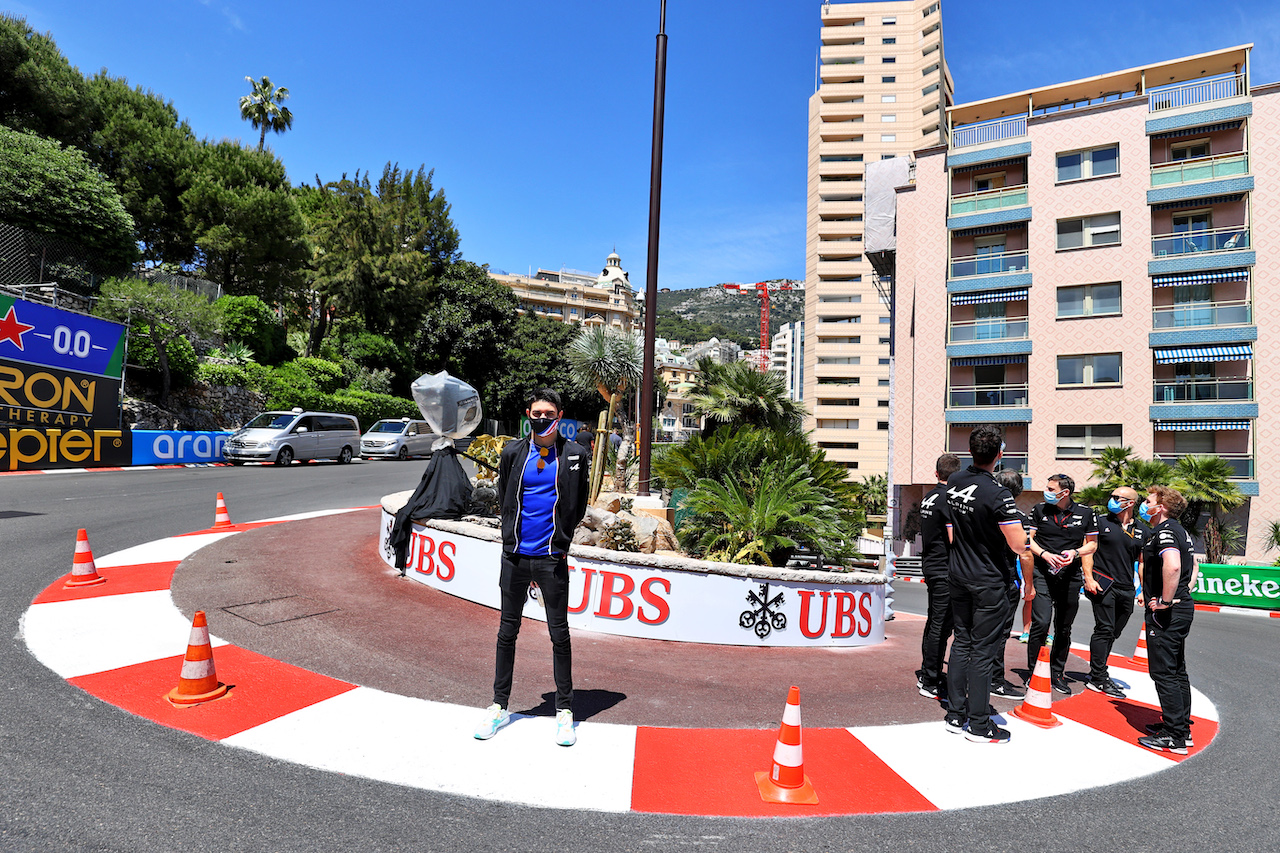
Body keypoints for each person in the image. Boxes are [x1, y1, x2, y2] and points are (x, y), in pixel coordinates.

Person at [475, 389, 591, 746]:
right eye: (536, 412)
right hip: (515, 557)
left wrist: (561, 543)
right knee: (507, 631)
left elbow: (579, 504)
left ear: (560, 415)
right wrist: (510, 538)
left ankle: (565, 710)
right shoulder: (513, 452)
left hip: (550, 559)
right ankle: (498, 705)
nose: (542, 418)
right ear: (528, 414)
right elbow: (505, 496)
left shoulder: (575, 454)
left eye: (548, 412)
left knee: (560, 634)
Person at [944, 426, 1027, 743]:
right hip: (988, 581)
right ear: (1000, 455)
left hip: (959, 575)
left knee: (962, 643)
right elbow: (1018, 545)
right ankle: (979, 724)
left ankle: (955, 714)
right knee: (982, 652)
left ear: (971, 451)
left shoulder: (956, 481)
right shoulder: (998, 494)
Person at [1137, 485, 1198, 755]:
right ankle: (1181, 728)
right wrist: (1182, 594)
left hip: (1167, 612)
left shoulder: (1164, 531)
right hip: (1180, 606)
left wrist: (1165, 599)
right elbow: (1193, 566)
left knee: (1163, 672)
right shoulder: (1180, 531)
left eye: (1148, 501)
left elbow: (1173, 565)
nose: (1144, 503)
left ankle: (1174, 736)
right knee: (1176, 670)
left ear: (1160, 507)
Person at [1026, 474, 1098, 695]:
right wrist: (1045, 555)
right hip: (1042, 573)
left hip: (1070, 577)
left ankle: (1057, 673)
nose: (1045, 491)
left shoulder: (1086, 513)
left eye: (1050, 488)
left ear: (1064, 493)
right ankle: (1034, 671)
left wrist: (1075, 553)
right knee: (1041, 622)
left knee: (1064, 628)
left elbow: (1092, 545)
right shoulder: (1039, 510)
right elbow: (1028, 540)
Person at [1083, 485, 1148, 698]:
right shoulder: (1100, 522)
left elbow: (1142, 562)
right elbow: (1089, 550)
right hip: (1103, 583)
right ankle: (1098, 677)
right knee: (1104, 628)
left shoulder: (1142, 530)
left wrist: (1143, 590)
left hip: (1126, 588)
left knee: (1114, 632)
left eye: (1116, 497)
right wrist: (1089, 578)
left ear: (1129, 503)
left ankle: (1098, 669)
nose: (1111, 500)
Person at [915, 453, 961, 700]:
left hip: (932, 564)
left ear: (937, 473)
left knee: (935, 622)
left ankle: (927, 671)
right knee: (941, 625)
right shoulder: (948, 500)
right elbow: (953, 538)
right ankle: (930, 679)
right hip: (944, 568)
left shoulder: (930, 497)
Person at [990, 468, 1029, 699]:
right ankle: (995, 679)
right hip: (1004, 579)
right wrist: (1029, 585)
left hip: (976, 576)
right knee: (1000, 633)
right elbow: (1024, 553)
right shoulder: (1018, 518)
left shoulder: (981, 513)